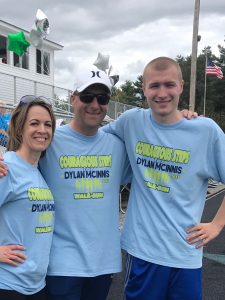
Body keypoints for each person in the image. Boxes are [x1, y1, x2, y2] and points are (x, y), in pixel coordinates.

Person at [102, 57, 225, 300]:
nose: (162, 93)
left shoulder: (205, 130)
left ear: (181, 85)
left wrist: (217, 224)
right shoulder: (131, 121)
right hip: (142, 253)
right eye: (154, 86)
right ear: (143, 89)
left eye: (169, 85)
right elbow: (89, 137)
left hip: (185, 254)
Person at [0, 96, 56, 300]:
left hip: (36, 286)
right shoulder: (7, 168)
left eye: (48, 124)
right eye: (34, 123)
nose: (43, 130)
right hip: (7, 285)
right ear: (20, 128)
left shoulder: (38, 171)